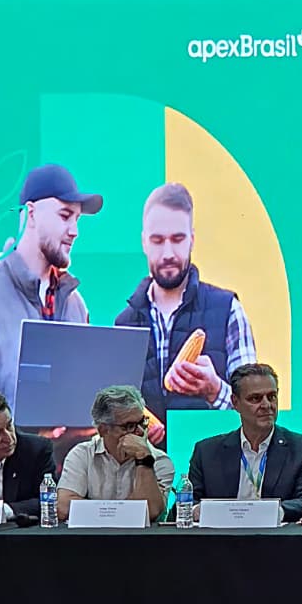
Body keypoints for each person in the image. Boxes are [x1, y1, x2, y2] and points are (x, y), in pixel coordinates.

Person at [115, 183, 257, 442]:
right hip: (144, 463)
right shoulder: (124, 323)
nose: (168, 253)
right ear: (144, 242)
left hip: (210, 463)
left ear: (192, 239)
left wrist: (215, 390)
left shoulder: (228, 310)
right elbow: (114, 414)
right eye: (158, 240)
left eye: (177, 239)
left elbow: (256, 411)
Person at [0, 163, 101, 399]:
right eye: (65, 216)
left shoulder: (77, 306)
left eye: (77, 219)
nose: (75, 231)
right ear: (31, 214)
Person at [188, 363, 302, 523]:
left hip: (278, 536)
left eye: (272, 397)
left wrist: (271, 512)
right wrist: (198, 511)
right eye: (255, 398)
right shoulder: (207, 452)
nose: (266, 405)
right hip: (220, 536)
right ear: (235, 402)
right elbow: (188, 501)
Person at [56, 384, 173, 523]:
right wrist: (126, 511)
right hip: (91, 536)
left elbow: (150, 512)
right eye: (129, 426)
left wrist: (143, 459)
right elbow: (64, 508)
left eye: (143, 422)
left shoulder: (159, 461)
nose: (140, 432)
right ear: (103, 430)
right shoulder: (81, 455)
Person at [0, 387, 55, 522]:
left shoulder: (35, 450)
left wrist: (3, 510)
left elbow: (49, 500)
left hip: (15, 533)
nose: (9, 438)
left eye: (9, 426)